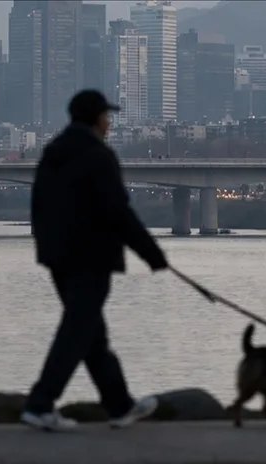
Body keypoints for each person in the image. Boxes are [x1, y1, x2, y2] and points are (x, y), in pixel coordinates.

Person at [21, 90, 169, 432]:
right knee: (77, 331)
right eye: (106, 116)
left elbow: (38, 206)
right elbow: (117, 211)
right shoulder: (98, 156)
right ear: (94, 118)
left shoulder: (53, 152)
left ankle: (119, 406)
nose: (109, 122)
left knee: (91, 333)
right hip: (92, 257)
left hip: (58, 257)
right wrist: (152, 254)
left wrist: (46, 248)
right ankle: (40, 403)